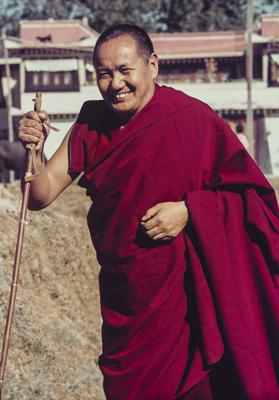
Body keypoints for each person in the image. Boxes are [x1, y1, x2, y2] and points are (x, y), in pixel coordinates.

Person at [18, 24, 279, 400]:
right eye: (104, 74)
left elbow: (255, 201)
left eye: (126, 70)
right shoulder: (91, 124)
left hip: (187, 316)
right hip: (127, 308)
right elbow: (40, 194)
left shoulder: (192, 120)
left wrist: (192, 210)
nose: (116, 84)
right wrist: (36, 150)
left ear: (152, 66)